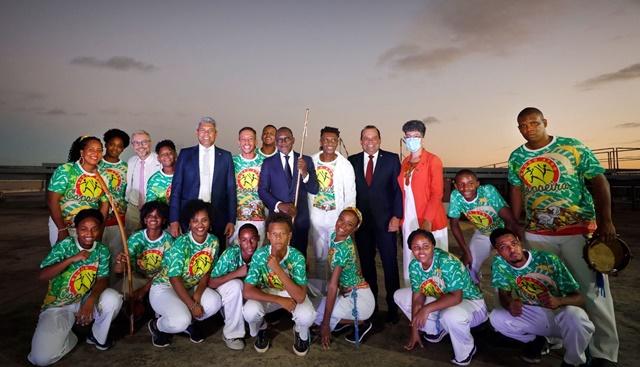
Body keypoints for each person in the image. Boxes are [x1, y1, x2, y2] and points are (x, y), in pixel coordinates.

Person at [508, 107, 618, 367]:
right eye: (523, 125)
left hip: (578, 229)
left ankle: (604, 351)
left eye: (534, 123)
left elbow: (600, 182)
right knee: (545, 287)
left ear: (544, 122)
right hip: (538, 232)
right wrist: (514, 223)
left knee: (592, 289)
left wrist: (606, 221)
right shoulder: (517, 156)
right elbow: (516, 189)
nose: (529, 129)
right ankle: (552, 339)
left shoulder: (572, 147)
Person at [28, 209, 123, 366]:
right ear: (76, 229)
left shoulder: (102, 250)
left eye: (94, 229)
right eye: (84, 229)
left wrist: (90, 300)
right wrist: (71, 259)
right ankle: (71, 335)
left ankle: (96, 336)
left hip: (84, 300)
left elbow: (102, 280)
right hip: (59, 305)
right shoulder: (65, 246)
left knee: (113, 298)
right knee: (41, 359)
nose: (89, 234)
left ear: (100, 229)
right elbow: (42, 275)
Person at [488, 228, 594, 367]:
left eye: (514, 243)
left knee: (575, 315)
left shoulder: (548, 259)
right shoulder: (499, 263)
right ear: (498, 253)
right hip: (533, 314)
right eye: (504, 247)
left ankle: (572, 362)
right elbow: (504, 294)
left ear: (519, 242)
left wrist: (558, 301)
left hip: (559, 315)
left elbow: (579, 299)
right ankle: (538, 340)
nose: (512, 249)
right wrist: (510, 305)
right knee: (497, 317)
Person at [149, 199, 241, 349]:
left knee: (215, 302)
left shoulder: (214, 242)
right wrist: (192, 305)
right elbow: (174, 278)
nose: (200, 224)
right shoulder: (182, 243)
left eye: (204, 220)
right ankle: (157, 325)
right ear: (189, 223)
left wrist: (197, 294)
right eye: (195, 220)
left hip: (191, 286)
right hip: (166, 287)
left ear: (210, 222)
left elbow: (208, 271)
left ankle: (189, 323)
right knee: (180, 320)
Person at [394, 229, 487, 366]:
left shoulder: (445, 261)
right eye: (416, 247)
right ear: (410, 249)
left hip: (472, 304)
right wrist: (415, 331)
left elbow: (456, 297)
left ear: (433, 245)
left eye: (426, 246)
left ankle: (467, 350)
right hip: (444, 299)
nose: (421, 251)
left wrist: (425, 310)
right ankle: (436, 329)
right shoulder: (414, 265)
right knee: (400, 295)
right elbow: (417, 298)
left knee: (450, 315)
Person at [348, 125, 403, 325]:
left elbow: (397, 190)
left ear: (379, 140)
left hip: (386, 221)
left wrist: (397, 216)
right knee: (367, 265)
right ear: (361, 141)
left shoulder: (391, 159)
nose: (370, 142)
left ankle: (393, 307)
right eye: (366, 138)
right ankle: (370, 306)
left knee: (389, 264)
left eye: (374, 138)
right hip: (361, 223)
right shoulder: (352, 161)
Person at [242, 212, 317, 356]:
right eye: (274, 234)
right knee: (250, 311)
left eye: (283, 233)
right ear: (268, 235)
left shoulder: (297, 257)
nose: (278, 238)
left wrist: (277, 269)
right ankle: (261, 327)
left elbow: (300, 297)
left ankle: (300, 332)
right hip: (269, 293)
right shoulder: (259, 255)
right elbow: (247, 291)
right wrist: (279, 300)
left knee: (306, 315)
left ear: (290, 236)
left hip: (292, 293)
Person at [169, 117, 236, 252]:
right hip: (188, 215)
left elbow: (230, 190)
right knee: (187, 254)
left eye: (210, 130)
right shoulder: (185, 154)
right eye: (203, 130)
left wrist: (231, 220)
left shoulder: (226, 156)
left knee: (216, 254)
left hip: (217, 216)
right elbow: (176, 189)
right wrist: (174, 220)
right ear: (197, 132)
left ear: (216, 133)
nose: (206, 133)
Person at [314, 207, 375, 348]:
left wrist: (325, 324)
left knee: (311, 310)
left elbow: (333, 285)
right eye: (341, 219)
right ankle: (342, 320)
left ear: (354, 229)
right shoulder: (334, 236)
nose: (342, 226)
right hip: (348, 293)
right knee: (308, 286)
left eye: (349, 224)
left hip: (360, 301)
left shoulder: (343, 249)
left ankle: (360, 322)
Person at [398, 120, 448, 285]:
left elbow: (437, 193)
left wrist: (427, 221)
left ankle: (436, 303)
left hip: (429, 220)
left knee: (434, 265)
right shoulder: (405, 162)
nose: (412, 139)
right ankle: (412, 302)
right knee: (410, 260)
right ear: (405, 138)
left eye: (416, 136)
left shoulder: (433, 160)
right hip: (409, 218)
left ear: (423, 139)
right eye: (409, 136)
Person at [448, 169, 519, 283]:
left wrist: (506, 244)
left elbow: (510, 220)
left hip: (503, 233)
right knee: (468, 266)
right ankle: (475, 293)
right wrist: (466, 252)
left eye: (470, 184)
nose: (466, 188)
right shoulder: (456, 196)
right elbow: (454, 224)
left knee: (503, 269)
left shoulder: (487, 191)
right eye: (461, 184)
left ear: (477, 184)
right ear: (455, 185)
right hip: (483, 233)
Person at [258, 127, 319, 257]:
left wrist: (304, 172)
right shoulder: (268, 163)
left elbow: (314, 189)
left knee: (299, 256)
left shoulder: (305, 161)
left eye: (287, 138)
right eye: (279, 140)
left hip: (300, 219)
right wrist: (280, 205)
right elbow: (262, 191)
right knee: (278, 256)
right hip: (277, 221)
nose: (283, 142)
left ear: (293, 140)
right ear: (275, 142)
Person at [308, 126, 356, 279]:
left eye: (333, 140)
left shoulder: (345, 165)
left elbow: (350, 194)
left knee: (337, 256)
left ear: (338, 142)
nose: (330, 143)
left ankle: (338, 292)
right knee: (320, 257)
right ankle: (323, 291)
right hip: (316, 214)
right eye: (326, 140)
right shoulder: (311, 161)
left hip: (336, 216)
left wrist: (350, 221)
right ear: (321, 141)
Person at [47, 136, 110, 246]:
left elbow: (104, 205)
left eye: (99, 150)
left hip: (89, 229)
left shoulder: (104, 175)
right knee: (63, 260)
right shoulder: (66, 170)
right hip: (63, 225)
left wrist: (100, 231)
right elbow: (52, 201)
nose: (95, 153)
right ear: (82, 152)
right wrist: (62, 229)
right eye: (91, 149)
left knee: (86, 261)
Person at [207, 223, 261, 350]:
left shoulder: (259, 257)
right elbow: (211, 282)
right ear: (239, 241)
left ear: (258, 238)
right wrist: (236, 273)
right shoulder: (231, 254)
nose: (249, 244)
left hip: (241, 295)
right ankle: (231, 334)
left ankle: (245, 321)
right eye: (244, 240)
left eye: (252, 239)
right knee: (236, 284)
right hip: (222, 294)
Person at [113, 201, 173, 303]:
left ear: (164, 220)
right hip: (138, 276)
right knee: (117, 295)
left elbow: (165, 271)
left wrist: (144, 289)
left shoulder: (169, 241)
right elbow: (127, 265)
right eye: (150, 215)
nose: (153, 218)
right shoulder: (136, 237)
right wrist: (121, 265)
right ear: (145, 220)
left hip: (160, 280)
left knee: (165, 298)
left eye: (158, 216)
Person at [99, 129, 130, 282]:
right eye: (112, 144)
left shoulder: (126, 168)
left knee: (116, 257)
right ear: (105, 144)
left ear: (123, 149)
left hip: (118, 221)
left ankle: (113, 292)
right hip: (97, 220)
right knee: (97, 256)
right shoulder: (96, 164)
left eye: (119, 146)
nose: (115, 148)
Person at [231, 127, 267, 244]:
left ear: (256, 142)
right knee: (237, 255)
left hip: (259, 217)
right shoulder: (231, 162)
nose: (247, 142)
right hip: (236, 219)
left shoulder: (265, 162)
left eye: (250, 139)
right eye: (243, 139)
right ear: (238, 142)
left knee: (256, 254)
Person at [125, 130, 161, 236]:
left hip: (154, 209)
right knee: (130, 237)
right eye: (136, 143)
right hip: (134, 208)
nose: (140, 146)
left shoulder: (160, 161)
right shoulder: (131, 161)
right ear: (132, 146)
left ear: (150, 143)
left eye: (144, 142)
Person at [146, 140, 177, 204]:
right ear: (158, 159)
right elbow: (150, 206)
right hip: (164, 213)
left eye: (169, 153)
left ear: (176, 155)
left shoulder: (186, 174)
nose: (166, 156)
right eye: (162, 154)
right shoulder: (154, 180)